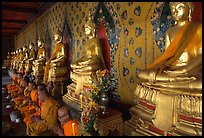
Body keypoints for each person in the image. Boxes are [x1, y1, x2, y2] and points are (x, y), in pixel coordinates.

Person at [138, 2, 202, 90]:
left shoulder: (198, 28)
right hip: (171, 70)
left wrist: (184, 70)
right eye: (172, 9)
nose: (175, 12)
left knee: (200, 84)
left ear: (190, 9)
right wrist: (157, 67)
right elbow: (167, 56)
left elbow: (201, 56)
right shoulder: (170, 31)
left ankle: (171, 82)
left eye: (179, 8)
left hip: (190, 70)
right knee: (142, 74)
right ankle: (174, 80)